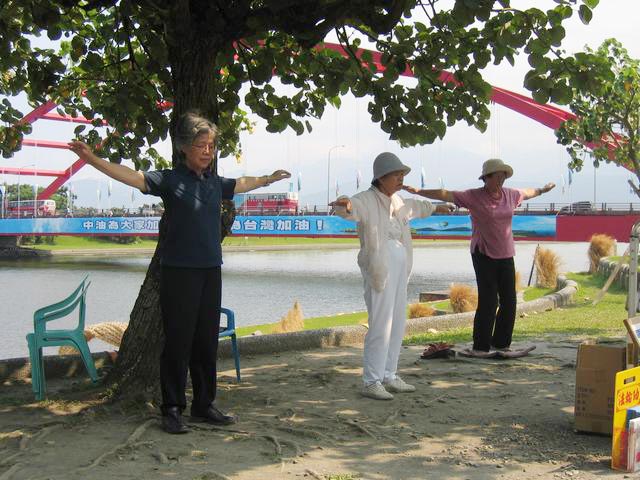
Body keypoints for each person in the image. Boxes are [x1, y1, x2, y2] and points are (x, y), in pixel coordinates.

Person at [68, 111, 290, 434]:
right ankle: (172, 409)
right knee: (178, 342)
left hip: (210, 270)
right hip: (179, 272)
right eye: (201, 145)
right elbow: (132, 177)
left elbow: (242, 183)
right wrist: (92, 159)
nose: (208, 151)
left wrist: (269, 178)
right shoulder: (170, 180)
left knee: (205, 342)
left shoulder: (214, 183)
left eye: (212, 146)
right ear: (184, 147)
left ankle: (204, 404)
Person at [330, 152, 453, 400]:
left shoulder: (397, 201)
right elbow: (350, 208)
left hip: (400, 266)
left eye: (402, 175)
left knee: (397, 321)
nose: (401, 178)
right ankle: (371, 381)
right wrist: (345, 205)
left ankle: (389, 374)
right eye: (396, 175)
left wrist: (438, 207)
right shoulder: (366, 199)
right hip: (380, 268)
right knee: (381, 323)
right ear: (381, 177)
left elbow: (417, 207)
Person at [403, 158, 555, 357]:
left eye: (503, 177)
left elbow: (528, 192)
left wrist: (543, 190)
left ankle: (501, 344)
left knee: (510, 301)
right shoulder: (474, 196)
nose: (501, 180)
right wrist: (418, 191)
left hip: (506, 253)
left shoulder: (510, 195)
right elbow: (445, 194)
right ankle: (481, 346)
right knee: (489, 302)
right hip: (483, 254)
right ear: (486, 178)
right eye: (497, 177)